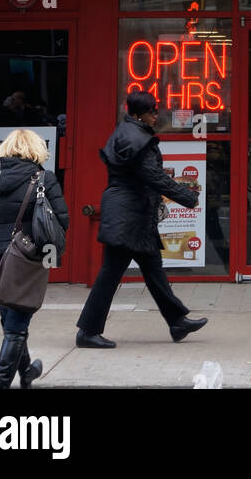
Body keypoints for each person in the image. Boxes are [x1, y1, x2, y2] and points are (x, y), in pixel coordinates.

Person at [76, 91, 207, 348]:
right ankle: (87, 332)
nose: (157, 115)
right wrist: (188, 196)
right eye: (153, 111)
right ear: (138, 114)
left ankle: (177, 322)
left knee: (154, 271)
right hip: (128, 218)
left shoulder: (126, 132)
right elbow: (154, 176)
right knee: (110, 275)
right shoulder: (138, 139)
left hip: (132, 216)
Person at [0, 128, 69, 388]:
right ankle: (0, 385)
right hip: (24, 260)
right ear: (36, 150)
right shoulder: (44, 178)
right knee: (15, 327)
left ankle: (27, 372)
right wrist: (33, 249)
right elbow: (61, 220)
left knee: (10, 320)